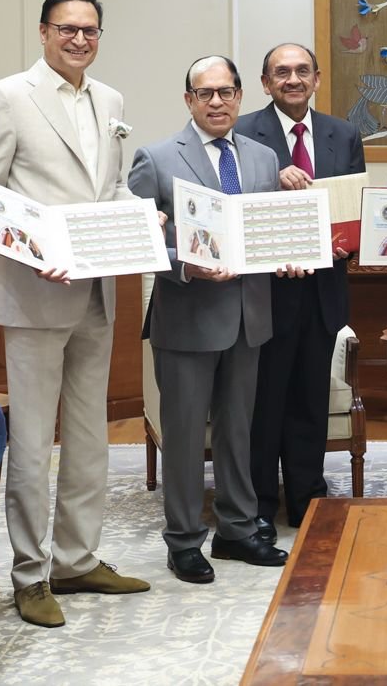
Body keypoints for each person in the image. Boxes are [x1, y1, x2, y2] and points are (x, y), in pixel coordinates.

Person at [0, 0, 150, 628]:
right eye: (67, 28)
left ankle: (77, 559)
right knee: (36, 441)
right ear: (43, 32)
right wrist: (32, 244)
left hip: (99, 290)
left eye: (90, 30)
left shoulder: (112, 101)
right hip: (35, 290)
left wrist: (140, 221)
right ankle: (30, 574)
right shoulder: (9, 96)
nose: (79, 39)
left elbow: (116, 188)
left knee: (91, 436)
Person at [127, 55, 306, 585]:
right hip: (186, 318)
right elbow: (140, 241)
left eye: (226, 92)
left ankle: (236, 530)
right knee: (183, 437)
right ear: (188, 100)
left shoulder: (261, 157)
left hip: (250, 317)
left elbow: (269, 230)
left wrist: (290, 253)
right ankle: (183, 540)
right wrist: (186, 262)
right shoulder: (156, 159)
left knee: (238, 431)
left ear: (240, 96)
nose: (217, 102)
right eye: (205, 93)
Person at [233, 43, 365, 540]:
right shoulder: (244, 132)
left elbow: (351, 208)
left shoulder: (342, 133)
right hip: (265, 292)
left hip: (323, 289)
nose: (293, 79)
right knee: (265, 403)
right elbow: (236, 208)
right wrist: (272, 181)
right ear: (265, 83)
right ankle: (261, 503)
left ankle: (307, 497)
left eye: (302, 71)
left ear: (317, 78)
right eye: (281, 72)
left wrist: (344, 246)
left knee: (311, 397)